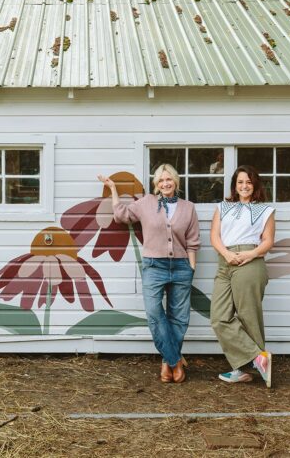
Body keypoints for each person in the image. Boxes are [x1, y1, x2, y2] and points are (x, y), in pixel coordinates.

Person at [98, 164, 200, 383]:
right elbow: (121, 215)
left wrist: (192, 267)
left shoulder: (188, 207)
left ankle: (166, 362)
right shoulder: (146, 203)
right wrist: (114, 189)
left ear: (176, 181)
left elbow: (193, 242)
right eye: (161, 180)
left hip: (182, 266)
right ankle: (175, 360)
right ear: (156, 184)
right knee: (154, 313)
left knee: (179, 317)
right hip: (154, 266)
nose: (165, 184)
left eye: (169, 179)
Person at [210, 165, 275, 387]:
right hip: (225, 261)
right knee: (219, 317)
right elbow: (214, 236)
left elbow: (268, 240)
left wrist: (250, 254)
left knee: (249, 316)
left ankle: (244, 370)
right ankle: (258, 358)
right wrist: (227, 254)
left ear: (255, 184)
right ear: (234, 185)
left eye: (248, 182)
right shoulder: (223, 206)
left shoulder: (264, 210)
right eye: (240, 182)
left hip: (251, 261)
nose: (244, 186)